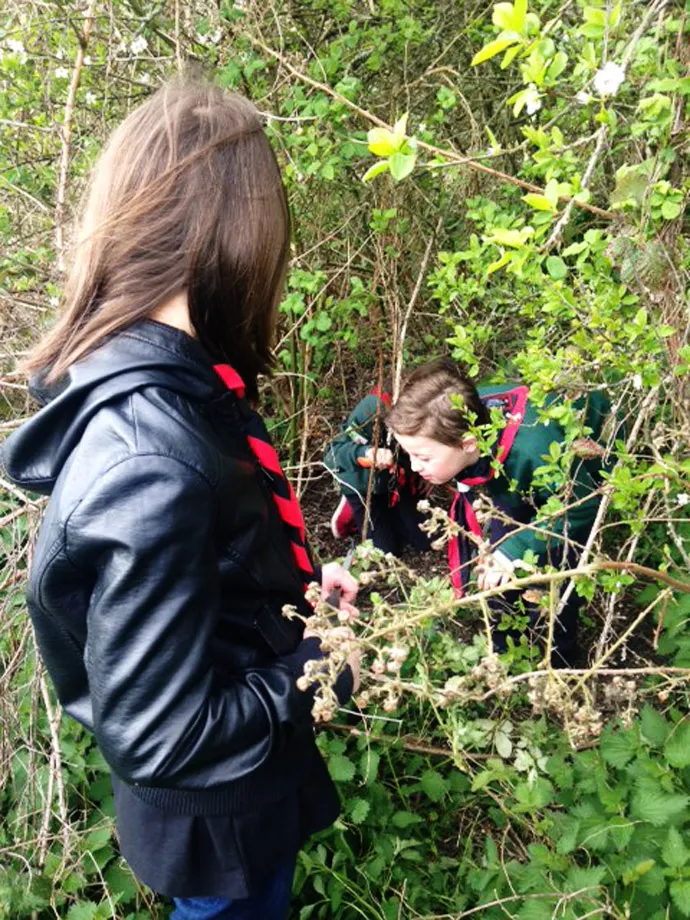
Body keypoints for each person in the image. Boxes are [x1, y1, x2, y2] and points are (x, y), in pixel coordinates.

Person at [0, 81, 361, 920]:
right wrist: (315, 669)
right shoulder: (150, 450)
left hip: (244, 801)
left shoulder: (180, 386)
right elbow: (163, 734)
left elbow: (209, 576)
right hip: (218, 828)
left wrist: (302, 610)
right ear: (240, 233)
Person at [386, 358, 613, 666]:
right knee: (497, 559)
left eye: (423, 457)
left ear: (467, 445)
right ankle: (506, 652)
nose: (414, 467)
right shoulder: (456, 414)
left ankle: (561, 663)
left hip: (575, 475)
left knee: (553, 576)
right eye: (410, 455)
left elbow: (581, 506)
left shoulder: (535, 449)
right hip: (513, 477)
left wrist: (517, 547)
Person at [324, 386, 431, 556]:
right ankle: (349, 506)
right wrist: (366, 452)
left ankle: (392, 513)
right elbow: (332, 455)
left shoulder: (425, 412)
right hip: (363, 484)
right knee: (386, 553)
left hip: (393, 481)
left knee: (424, 541)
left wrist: (426, 474)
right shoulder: (373, 408)